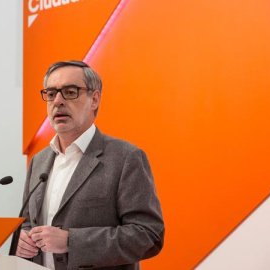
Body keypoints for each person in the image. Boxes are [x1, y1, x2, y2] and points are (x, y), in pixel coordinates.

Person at [16, 60, 164, 270]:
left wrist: (71, 242)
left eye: (69, 92)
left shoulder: (125, 158)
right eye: (51, 93)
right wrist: (20, 239)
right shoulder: (38, 161)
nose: (57, 101)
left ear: (94, 99)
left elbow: (148, 235)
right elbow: (27, 223)